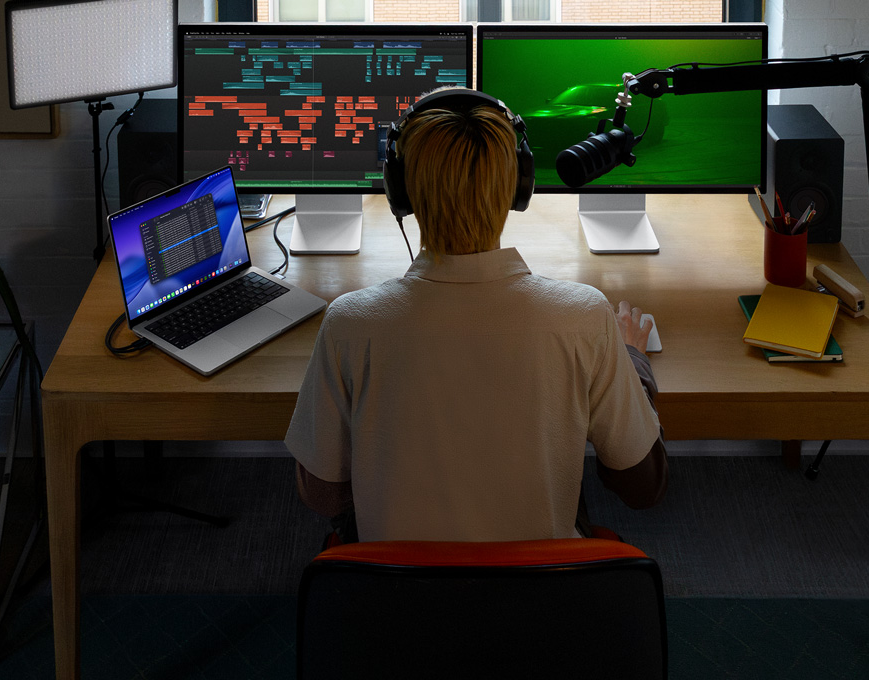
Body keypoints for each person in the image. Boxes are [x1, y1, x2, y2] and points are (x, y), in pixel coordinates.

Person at [284, 90, 668, 543]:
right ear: (518, 187)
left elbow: (323, 495)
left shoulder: (349, 324)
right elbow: (643, 486)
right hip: (540, 592)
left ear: (401, 189)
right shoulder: (585, 317)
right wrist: (632, 362)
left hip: (392, 597)